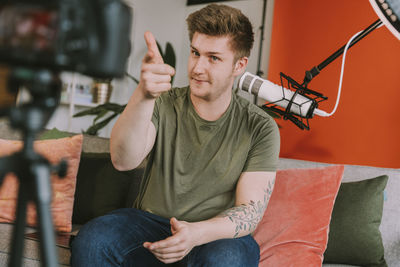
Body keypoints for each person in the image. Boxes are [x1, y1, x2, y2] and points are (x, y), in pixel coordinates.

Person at [71, 3, 280, 267]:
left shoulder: (260, 127)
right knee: (93, 240)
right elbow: (123, 160)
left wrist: (195, 233)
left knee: (228, 259)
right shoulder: (164, 103)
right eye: (195, 53)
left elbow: (250, 212)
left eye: (213, 58)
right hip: (149, 225)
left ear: (239, 65)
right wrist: (144, 95)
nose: (197, 68)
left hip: (214, 235)